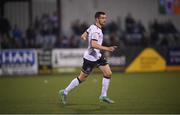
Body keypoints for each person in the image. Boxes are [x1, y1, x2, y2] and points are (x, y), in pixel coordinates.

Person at [59, 11, 117, 104]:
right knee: (82, 78)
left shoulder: (93, 26)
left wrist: (84, 36)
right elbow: (94, 44)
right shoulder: (96, 31)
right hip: (90, 58)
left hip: (97, 56)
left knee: (108, 73)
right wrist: (108, 48)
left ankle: (103, 96)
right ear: (97, 19)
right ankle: (64, 92)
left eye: (105, 18)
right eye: (102, 18)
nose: (105, 20)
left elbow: (85, 32)